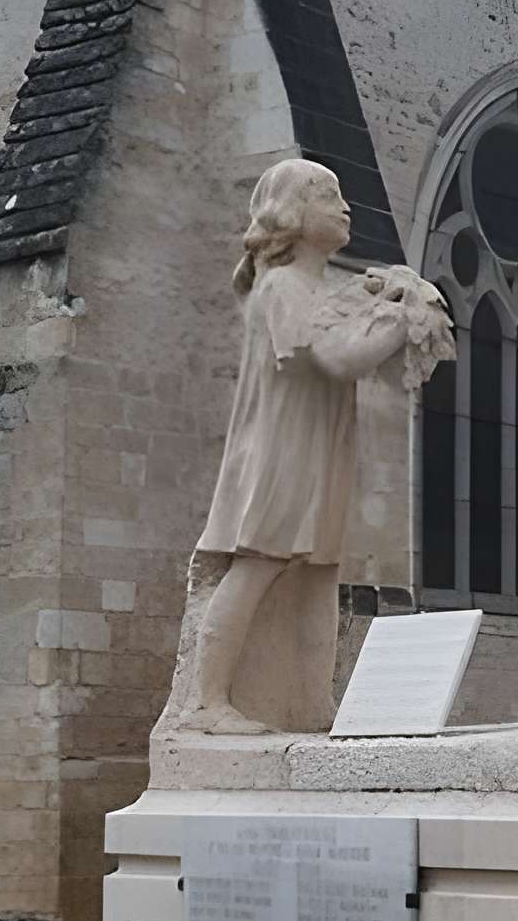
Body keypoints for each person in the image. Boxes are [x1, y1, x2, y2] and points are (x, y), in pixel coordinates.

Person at [189, 159, 449, 733]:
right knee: (257, 566)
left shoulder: (317, 288)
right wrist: (399, 321)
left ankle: (311, 706)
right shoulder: (282, 286)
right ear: (295, 213)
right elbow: (336, 358)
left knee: (318, 580)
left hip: (318, 451)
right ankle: (205, 702)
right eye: (330, 196)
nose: (346, 206)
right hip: (281, 453)